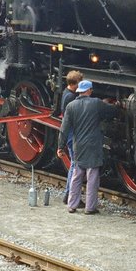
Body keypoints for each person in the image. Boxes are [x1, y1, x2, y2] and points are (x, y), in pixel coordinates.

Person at [57, 80, 118, 215]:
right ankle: (90, 208)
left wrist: (60, 147)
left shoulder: (71, 106)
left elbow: (64, 129)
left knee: (76, 176)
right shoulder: (96, 103)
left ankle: (72, 205)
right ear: (89, 90)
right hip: (93, 145)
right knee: (92, 177)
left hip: (78, 144)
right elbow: (112, 111)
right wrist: (117, 105)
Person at [57, 70, 83, 205]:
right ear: (74, 84)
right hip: (72, 134)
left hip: (71, 133)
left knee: (75, 164)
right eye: (80, 83)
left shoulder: (67, 93)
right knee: (75, 165)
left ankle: (69, 194)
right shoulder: (71, 98)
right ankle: (69, 195)